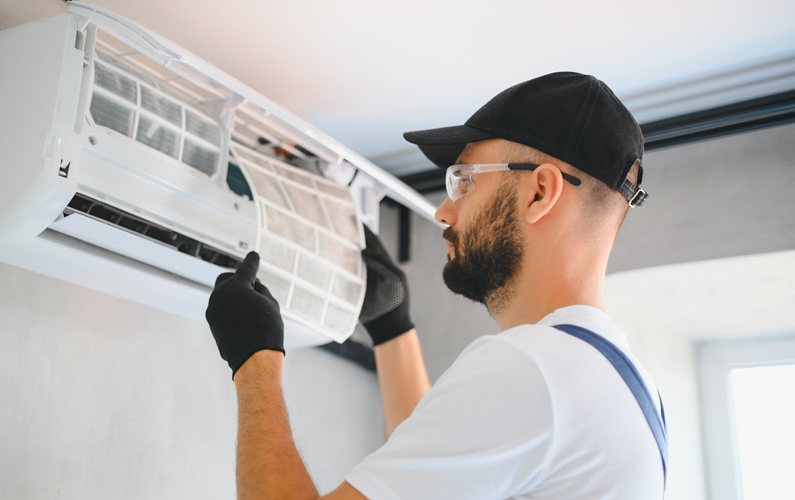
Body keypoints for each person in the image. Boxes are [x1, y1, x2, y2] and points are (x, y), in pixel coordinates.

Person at [204, 72, 665, 499]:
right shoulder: (624, 389)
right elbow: (447, 469)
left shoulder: (533, 371)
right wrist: (392, 328)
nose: (443, 211)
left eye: (464, 181)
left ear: (540, 193)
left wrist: (255, 363)